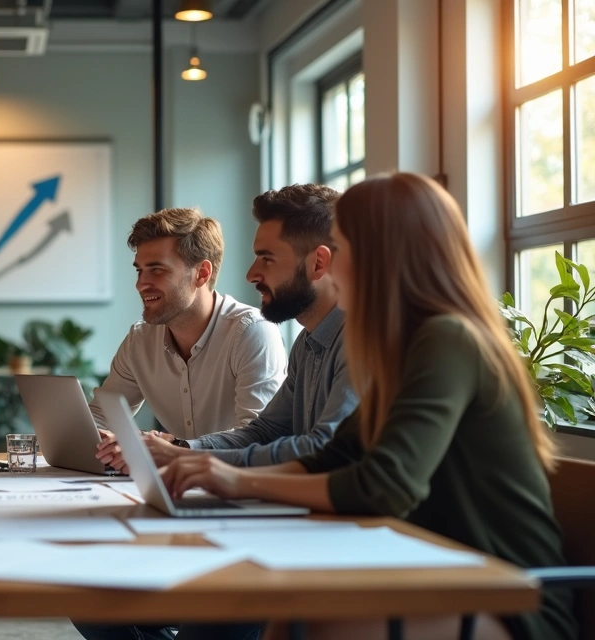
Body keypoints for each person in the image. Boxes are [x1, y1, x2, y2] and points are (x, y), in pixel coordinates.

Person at [159, 173, 577, 640]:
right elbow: (334, 456)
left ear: (382, 256)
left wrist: (235, 479)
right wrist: (217, 476)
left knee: (305, 626)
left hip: (508, 599)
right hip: (439, 574)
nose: (331, 268)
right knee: (281, 619)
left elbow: (385, 484)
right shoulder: (400, 346)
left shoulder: (448, 339)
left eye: (340, 248)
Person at [148, 184, 358, 468]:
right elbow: (266, 433)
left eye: (267, 259)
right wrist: (180, 448)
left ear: (318, 263)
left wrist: (201, 463)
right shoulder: (307, 343)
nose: (251, 274)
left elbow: (324, 448)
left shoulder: (361, 342)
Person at [90, 207, 286, 475]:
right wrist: (112, 445)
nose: (141, 284)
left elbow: (261, 437)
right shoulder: (141, 339)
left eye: (157, 270)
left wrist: (173, 448)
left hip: (241, 487)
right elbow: (100, 417)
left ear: (202, 274)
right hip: (183, 486)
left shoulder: (251, 332)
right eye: (140, 271)